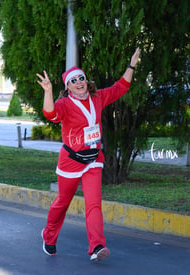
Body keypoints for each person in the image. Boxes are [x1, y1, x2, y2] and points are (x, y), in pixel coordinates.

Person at [37, 48, 140, 262]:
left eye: (81, 78)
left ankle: (97, 246)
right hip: (71, 162)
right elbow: (50, 114)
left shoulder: (98, 97)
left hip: (93, 160)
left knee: (93, 204)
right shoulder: (64, 104)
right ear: (68, 87)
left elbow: (121, 86)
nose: (79, 82)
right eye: (73, 81)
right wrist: (47, 91)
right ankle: (48, 234)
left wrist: (131, 65)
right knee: (63, 202)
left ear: (86, 81)